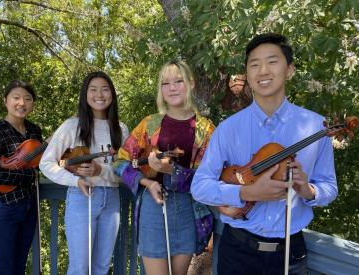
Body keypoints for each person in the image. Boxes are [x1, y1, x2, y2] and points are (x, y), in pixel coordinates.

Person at [191, 33, 338, 275]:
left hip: (290, 253)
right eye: (254, 64)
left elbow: (329, 187)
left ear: (289, 69)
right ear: (247, 75)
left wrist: (306, 190)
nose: (263, 71)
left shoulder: (317, 127)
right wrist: (245, 192)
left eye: (272, 61)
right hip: (237, 249)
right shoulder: (228, 128)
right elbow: (200, 187)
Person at [113, 60, 215, 275]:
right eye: (165, 83)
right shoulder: (150, 124)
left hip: (188, 208)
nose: (172, 87)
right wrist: (147, 182)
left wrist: (174, 172)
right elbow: (120, 162)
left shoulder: (206, 129)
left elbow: (209, 178)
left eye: (179, 81)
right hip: (154, 207)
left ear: (191, 84)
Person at [39, 71, 129, 275]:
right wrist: (74, 181)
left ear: (112, 95)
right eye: (93, 89)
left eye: (105, 89)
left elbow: (126, 171)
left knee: (102, 267)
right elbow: (46, 163)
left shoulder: (121, 129)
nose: (99, 94)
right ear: (85, 94)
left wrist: (101, 170)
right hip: (82, 197)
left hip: (112, 199)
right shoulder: (72, 126)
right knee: (80, 268)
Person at [0, 80, 43, 275]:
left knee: (19, 267)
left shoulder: (35, 131)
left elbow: (40, 164)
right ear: (5, 101)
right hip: (4, 207)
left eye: (27, 99)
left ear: (32, 103)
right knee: (4, 268)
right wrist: (26, 176)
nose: (22, 103)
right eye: (16, 98)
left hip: (29, 206)